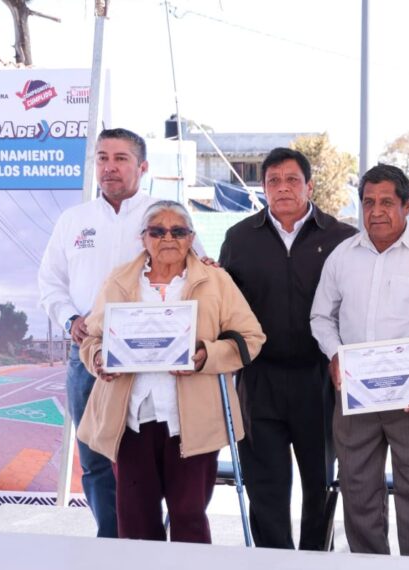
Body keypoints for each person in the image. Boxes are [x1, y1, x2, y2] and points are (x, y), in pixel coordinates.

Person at [39, 128, 205, 538]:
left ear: (142, 167)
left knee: (157, 463)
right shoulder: (73, 220)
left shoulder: (163, 216)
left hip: (153, 363)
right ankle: (113, 544)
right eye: (102, 158)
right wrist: (69, 320)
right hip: (90, 358)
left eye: (121, 158)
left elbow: (199, 271)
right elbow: (50, 281)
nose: (109, 167)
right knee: (96, 459)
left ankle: (152, 543)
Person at [76, 201, 265, 542]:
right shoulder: (119, 280)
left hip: (193, 421)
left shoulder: (215, 281)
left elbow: (252, 339)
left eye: (178, 231)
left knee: (189, 516)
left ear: (191, 238)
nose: (168, 237)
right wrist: (98, 360)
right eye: (157, 230)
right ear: (143, 238)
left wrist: (207, 355)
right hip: (131, 417)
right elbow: (91, 338)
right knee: (135, 519)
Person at [309, 164, 409, 557]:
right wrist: (333, 355)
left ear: (407, 206)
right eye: (368, 202)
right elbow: (320, 317)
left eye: (386, 202)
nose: (376, 211)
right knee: (358, 492)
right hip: (355, 390)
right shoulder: (342, 257)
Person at [218, 147, 357, 549]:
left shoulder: (341, 237)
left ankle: (315, 558)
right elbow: (224, 306)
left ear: (309, 185)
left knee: (320, 485)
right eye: (273, 181)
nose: (282, 188)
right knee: (266, 487)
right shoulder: (240, 238)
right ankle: (273, 559)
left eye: (292, 180)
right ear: (262, 189)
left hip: (320, 380)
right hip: (259, 381)